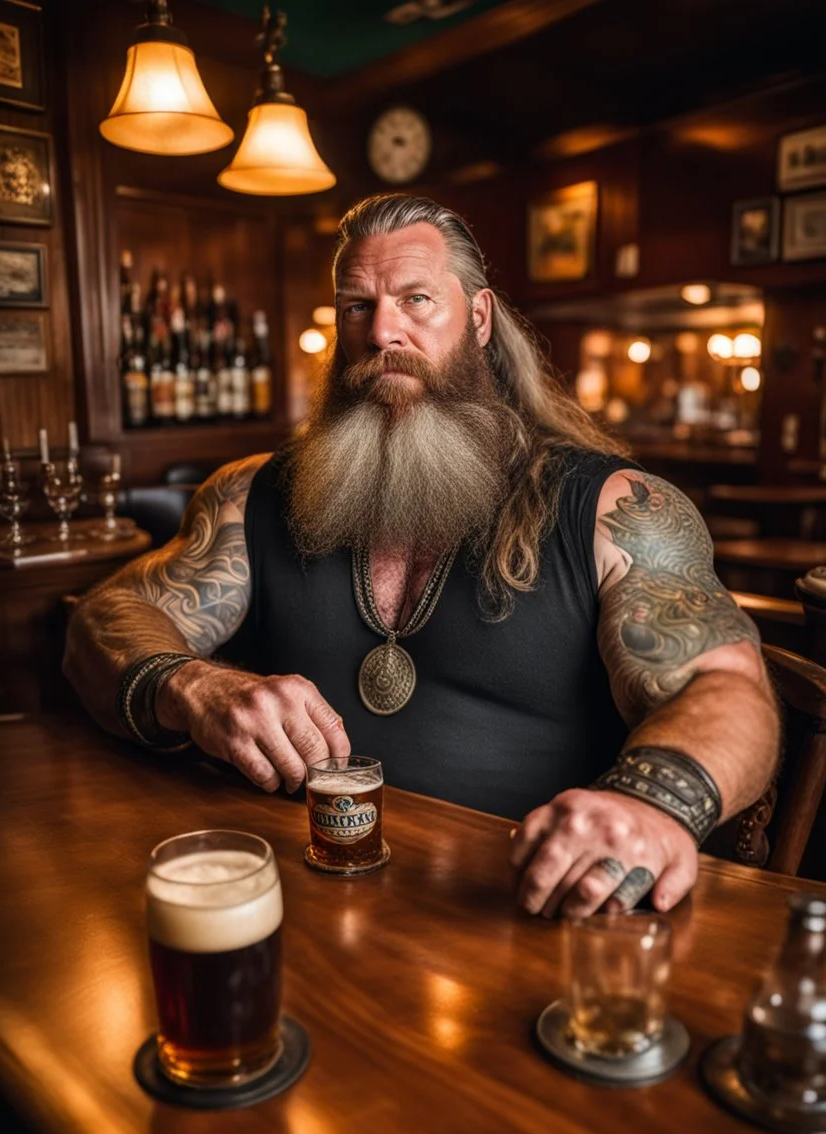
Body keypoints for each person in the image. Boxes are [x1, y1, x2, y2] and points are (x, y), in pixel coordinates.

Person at [64, 194, 779, 920]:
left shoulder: (613, 508)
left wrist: (649, 808)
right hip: (291, 893)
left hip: (516, 911)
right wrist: (192, 686)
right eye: (355, 306)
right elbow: (107, 613)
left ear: (477, 317)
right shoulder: (254, 494)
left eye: (416, 299)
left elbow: (729, 688)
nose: (382, 330)